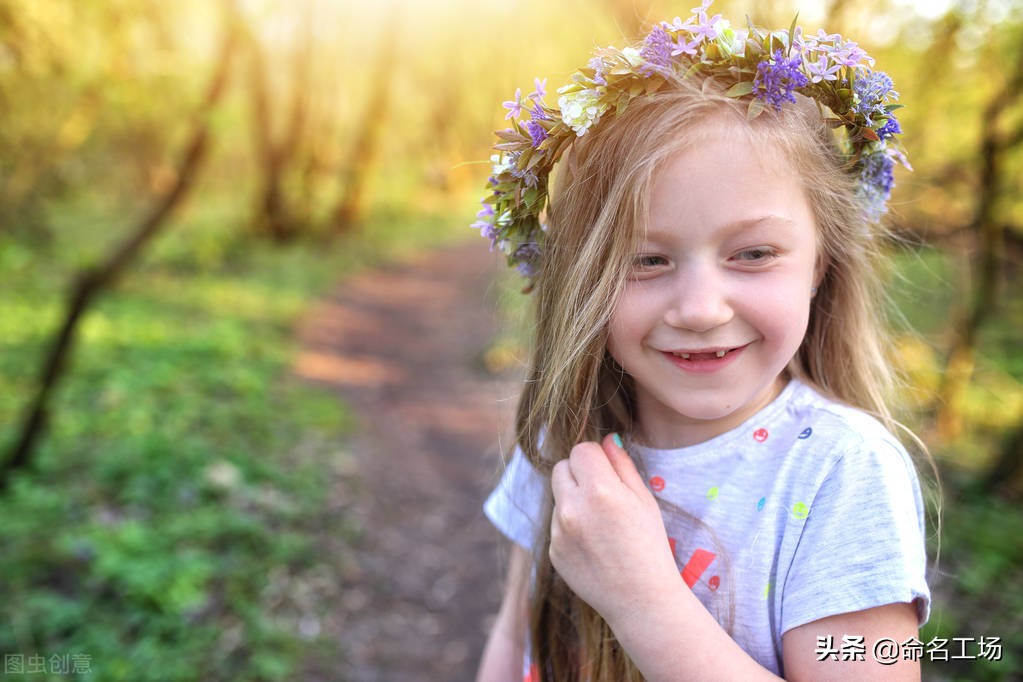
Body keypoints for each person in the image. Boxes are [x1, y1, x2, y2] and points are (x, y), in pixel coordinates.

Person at [471, 3, 932, 680]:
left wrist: (644, 603)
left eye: (751, 254)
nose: (697, 309)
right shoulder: (564, 438)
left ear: (820, 266)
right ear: (581, 278)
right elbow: (515, 640)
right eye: (645, 260)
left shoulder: (842, 473)